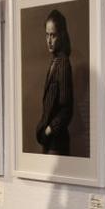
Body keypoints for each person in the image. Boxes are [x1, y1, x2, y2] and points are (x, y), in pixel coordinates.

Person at [35, 9, 74, 155]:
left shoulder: (63, 62)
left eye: (53, 35)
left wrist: (49, 130)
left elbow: (66, 110)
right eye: (47, 35)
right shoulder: (55, 61)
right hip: (49, 141)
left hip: (57, 142)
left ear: (61, 36)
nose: (49, 40)